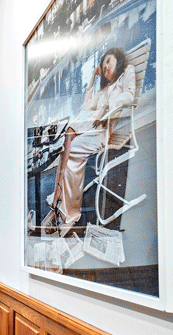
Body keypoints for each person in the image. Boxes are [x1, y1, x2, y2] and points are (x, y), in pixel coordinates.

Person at [43, 47, 136, 235]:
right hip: (91, 125)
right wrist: (93, 77)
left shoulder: (128, 72)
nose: (107, 67)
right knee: (66, 140)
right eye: (103, 66)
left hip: (102, 129)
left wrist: (108, 108)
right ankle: (61, 190)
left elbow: (130, 95)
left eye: (109, 61)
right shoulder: (104, 88)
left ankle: (69, 210)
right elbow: (87, 105)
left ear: (117, 59)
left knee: (71, 153)